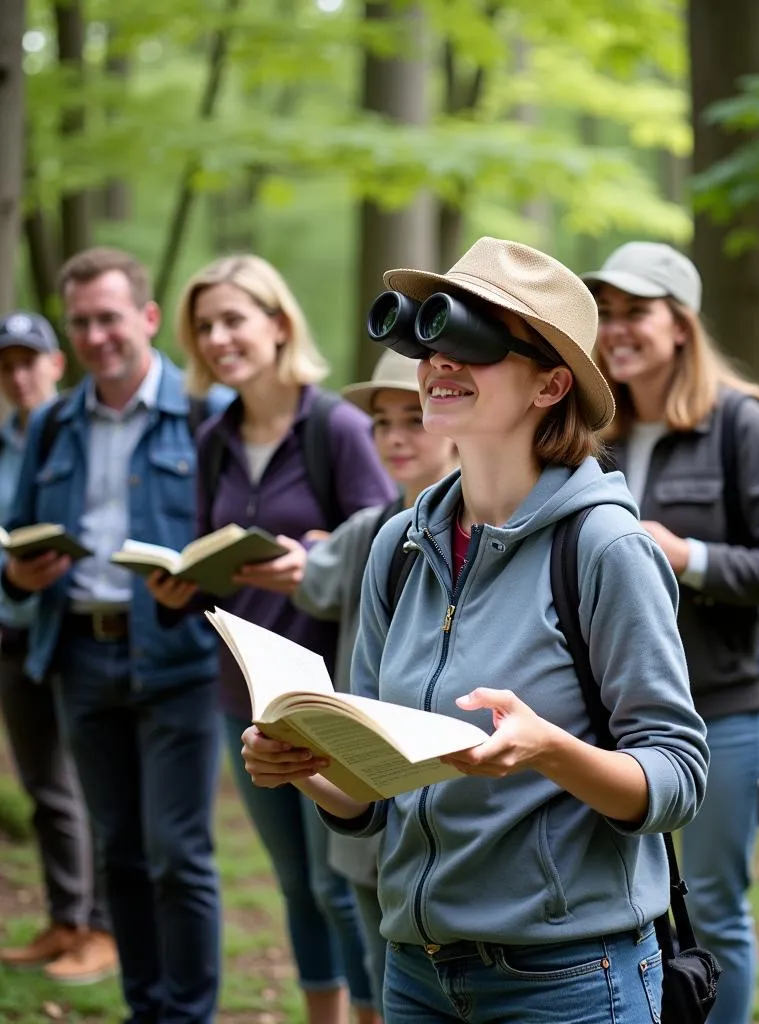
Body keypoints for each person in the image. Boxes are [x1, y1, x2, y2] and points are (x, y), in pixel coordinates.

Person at [240, 236, 710, 1023]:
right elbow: (377, 786)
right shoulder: (399, 546)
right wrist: (306, 766)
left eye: (471, 343)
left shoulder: (603, 548)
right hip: (416, 972)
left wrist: (552, 750)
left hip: (567, 978)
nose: (439, 364)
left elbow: (678, 777)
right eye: (430, 341)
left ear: (551, 384)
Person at [150, 254, 395, 1024]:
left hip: (331, 687)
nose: (218, 338)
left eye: (234, 320)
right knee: (295, 882)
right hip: (245, 690)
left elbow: (385, 549)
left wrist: (316, 563)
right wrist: (180, 586)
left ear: (279, 324)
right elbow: (207, 550)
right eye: (205, 326)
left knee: (340, 880)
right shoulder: (216, 435)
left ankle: (370, 1013)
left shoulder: (340, 428)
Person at [0, 248, 228, 1022]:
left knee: (178, 854)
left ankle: (187, 1014)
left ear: (148, 319)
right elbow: (23, 532)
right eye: (83, 321)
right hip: (79, 652)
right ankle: (146, 1007)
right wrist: (18, 576)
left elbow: (241, 538)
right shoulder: (56, 420)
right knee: (120, 852)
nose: (97, 336)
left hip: (179, 654)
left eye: (110, 317)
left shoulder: (206, 412)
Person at [582, 241, 759, 1023]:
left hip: (722, 710)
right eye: (606, 314)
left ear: (681, 324)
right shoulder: (594, 429)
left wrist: (685, 555)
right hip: (612, 718)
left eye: (637, 311)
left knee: (714, 913)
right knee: (629, 911)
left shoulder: (740, 422)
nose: (617, 329)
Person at [293, 347, 460, 1012]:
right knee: (373, 943)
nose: (394, 436)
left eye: (411, 419)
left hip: (442, 795)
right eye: (382, 423)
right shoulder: (372, 533)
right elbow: (309, 576)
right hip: (365, 778)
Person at [0, 312, 118, 984]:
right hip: (13, 631)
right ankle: (65, 917)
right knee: (44, 785)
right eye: (7, 366)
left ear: (55, 364)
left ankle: (102, 927)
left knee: (94, 785)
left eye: (29, 362)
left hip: (75, 630)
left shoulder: (77, 434)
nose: (19, 376)